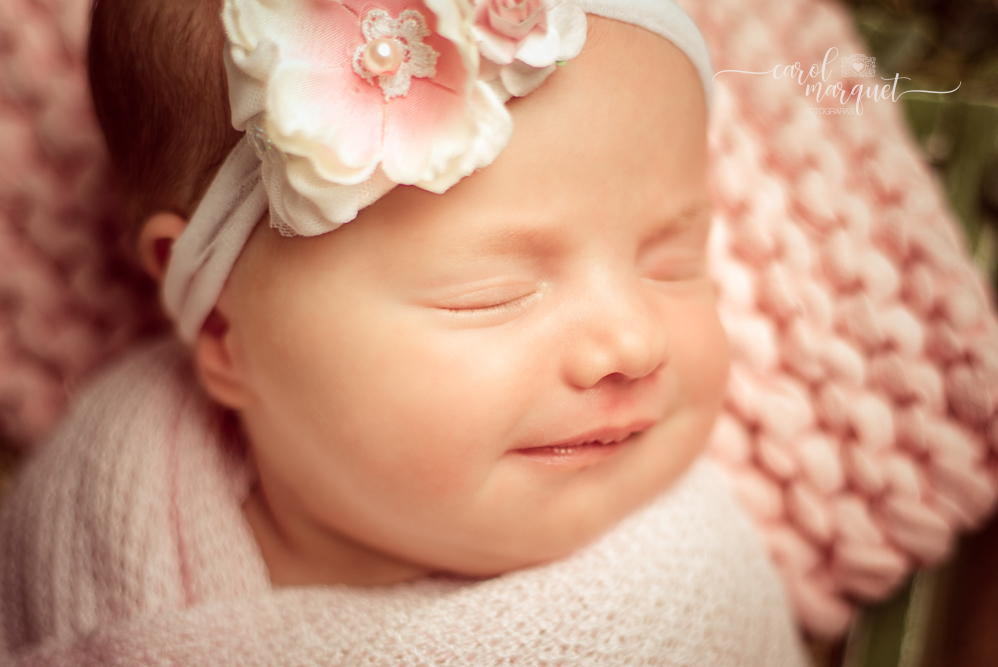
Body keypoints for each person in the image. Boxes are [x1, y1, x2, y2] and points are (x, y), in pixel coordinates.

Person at [0, 0, 808, 663]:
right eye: (491, 294)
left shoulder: (698, 603)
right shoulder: (88, 531)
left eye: (674, 262)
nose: (633, 342)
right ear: (220, 323)